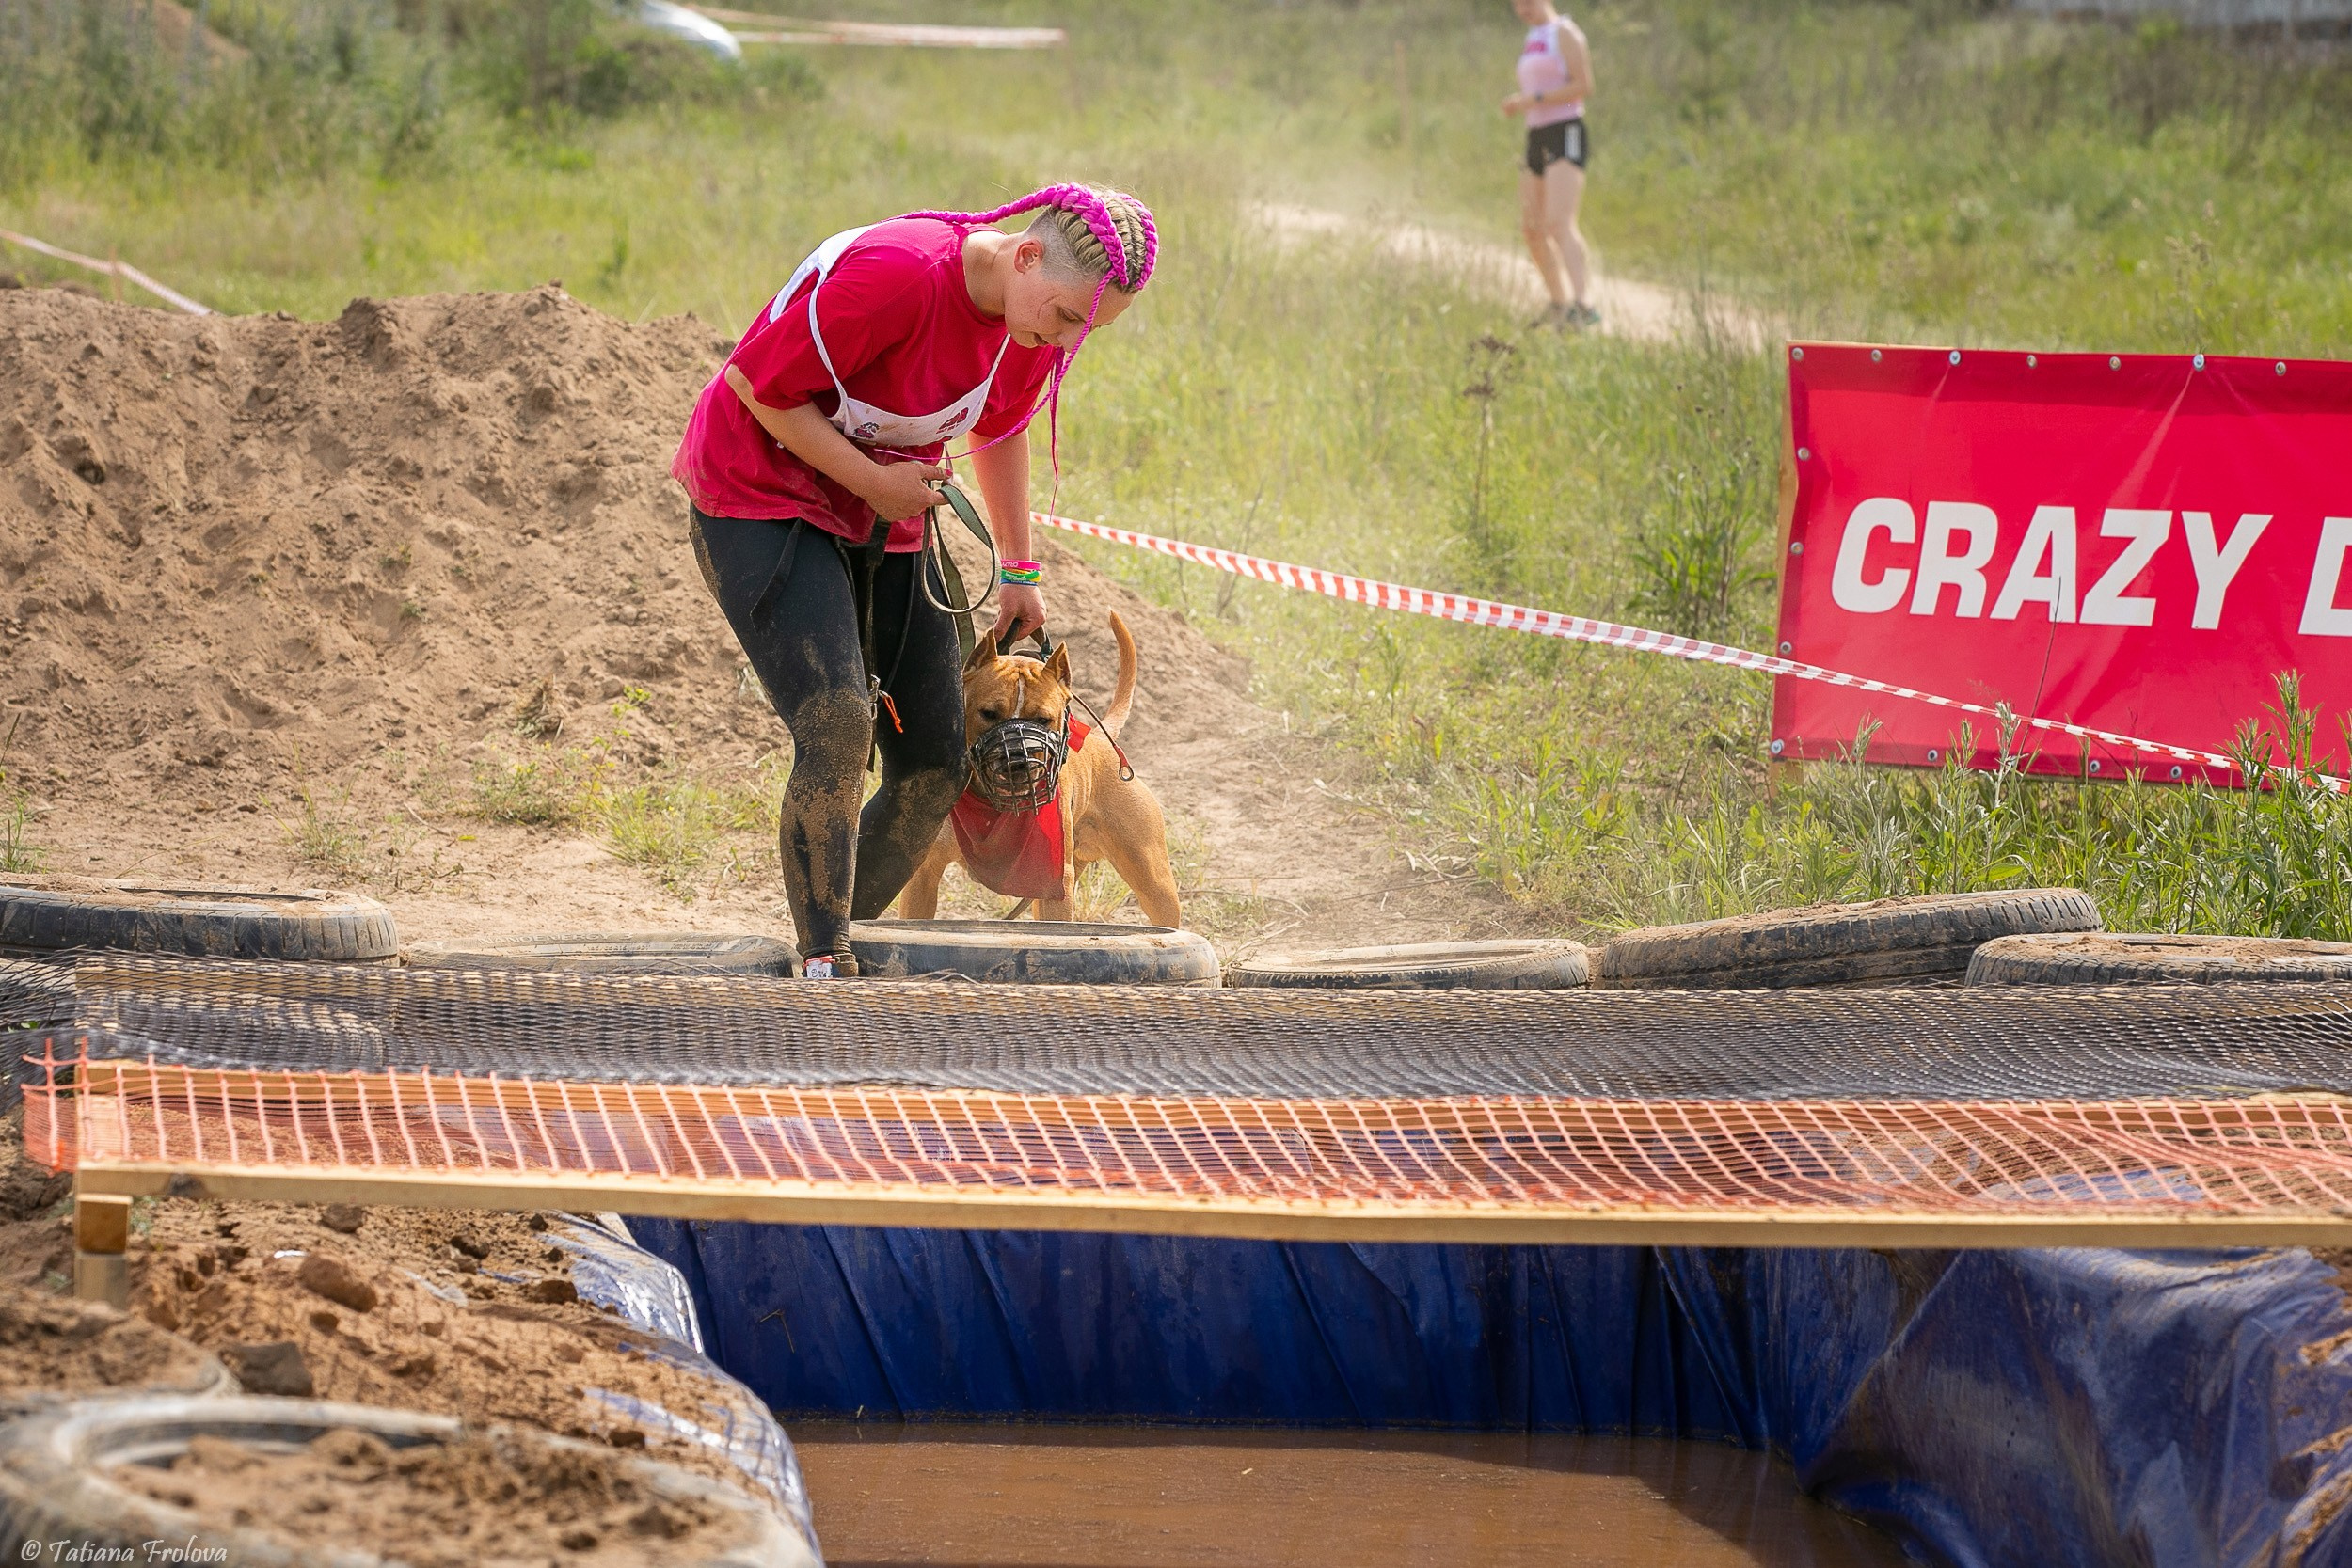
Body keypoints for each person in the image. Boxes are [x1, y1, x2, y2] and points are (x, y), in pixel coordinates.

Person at [670, 185, 1157, 977]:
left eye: (1085, 332)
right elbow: (757, 386)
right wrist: (869, 479)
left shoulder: (1027, 326)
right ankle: (824, 962)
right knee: (836, 719)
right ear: (1025, 255)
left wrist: (1019, 567)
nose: (1066, 342)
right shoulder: (898, 274)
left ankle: (834, 928)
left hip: (879, 503)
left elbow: (1001, 428)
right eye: (1067, 317)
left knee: (936, 755)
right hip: (757, 491)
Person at [1501, 0, 1597, 329]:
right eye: (1516, 5)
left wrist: (1535, 100)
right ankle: (1558, 303)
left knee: (1559, 222)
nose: (1522, 9)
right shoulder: (1533, 37)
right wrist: (1521, 102)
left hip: (1565, 131)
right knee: (1531, 228)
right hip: (1536, 133)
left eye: (1527, 2)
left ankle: (1584, 305)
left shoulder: (1565, 32)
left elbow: (1583, 86)